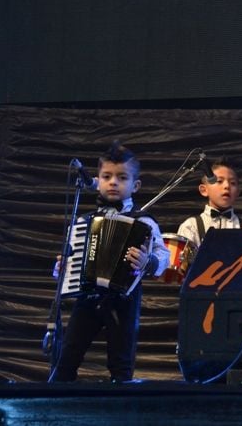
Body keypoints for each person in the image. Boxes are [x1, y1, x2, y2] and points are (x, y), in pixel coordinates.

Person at [52, 141, 170, 383]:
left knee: (121, 363)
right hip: (87, 297)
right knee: (67, 357)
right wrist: (63, 267)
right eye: (107, 176)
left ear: (135, 185)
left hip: (124, 300)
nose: (113, 182)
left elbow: (163, 255)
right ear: (97, 181)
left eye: (122, 177)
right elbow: (70, 260)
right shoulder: (83, 221)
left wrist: (148, 261)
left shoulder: (144, 221)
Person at [177, 158, 242, 247]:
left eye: (232, 183)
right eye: (219, 181)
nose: (227, 186)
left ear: (237, 193)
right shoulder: (191, 226)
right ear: (204, 190)